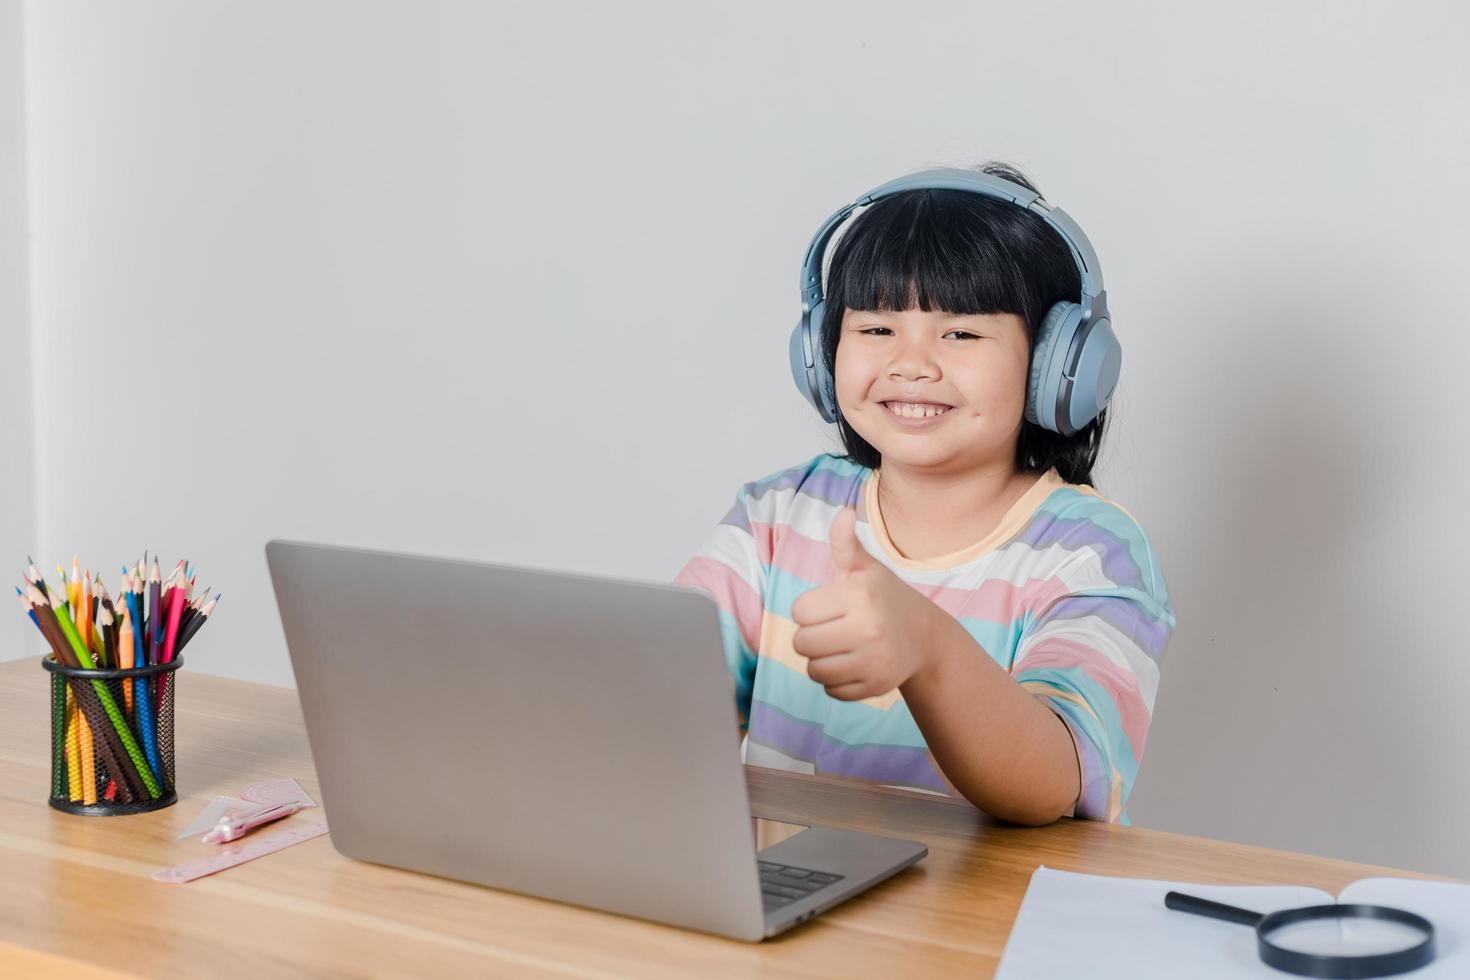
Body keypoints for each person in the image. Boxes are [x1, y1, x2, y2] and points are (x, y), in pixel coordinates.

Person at [675, 161, 1175, 826]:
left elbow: (1055, 783)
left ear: (1059, 364)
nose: (911, 363)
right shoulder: (776, 519)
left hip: (982, 926)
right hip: (788, 906)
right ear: (823, 354)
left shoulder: (1092, 554)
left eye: (961, 333)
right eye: (877, 329)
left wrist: (925, 646)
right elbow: (660, 699)